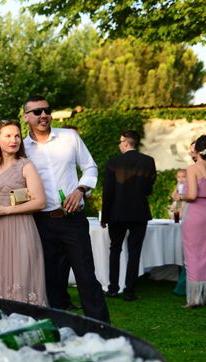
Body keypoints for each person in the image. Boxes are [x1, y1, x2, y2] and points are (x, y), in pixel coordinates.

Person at [22, 95, 110, 323]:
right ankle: (57, 327)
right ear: (26, 118)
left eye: (46, 110)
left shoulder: (69, 137)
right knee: (50, 279)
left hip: (73, 220)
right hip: (41, 222)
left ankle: (101, 327)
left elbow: (90, 167)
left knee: (86, 276)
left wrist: (81, 189)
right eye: (37, 112)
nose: (43, 115)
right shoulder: (21, 148)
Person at [0, 119, 48, 305]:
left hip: (21, 229)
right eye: (8, 136)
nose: (13, 140)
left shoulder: (26, 165)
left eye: (17, 136)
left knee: (20, 276)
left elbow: (40, 202)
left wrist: (6, 210)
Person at [101, 131, 157, 300]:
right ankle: (130, 291)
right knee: (134, 252)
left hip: (117, 213)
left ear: (125, 143)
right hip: (139, 212)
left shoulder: (113, 162)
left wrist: (105, 217)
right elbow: (148, 189)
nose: (119, 145)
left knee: (115, 250)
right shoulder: (148, 161)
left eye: (120, 142)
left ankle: (112, 288)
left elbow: (108, 192)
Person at [178, 134, 206, 307]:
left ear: (197, 150)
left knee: (193, 254)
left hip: (196, 215)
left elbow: (192, 195)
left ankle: (195, 299)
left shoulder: (192, 169)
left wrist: (181, 195)